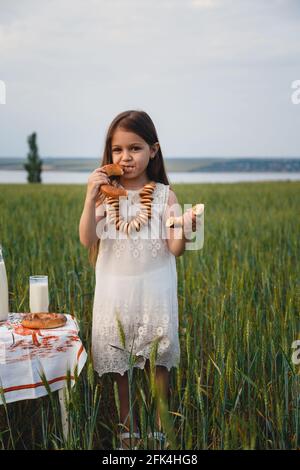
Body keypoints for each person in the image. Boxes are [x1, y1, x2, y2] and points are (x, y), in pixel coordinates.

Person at [79, 110, 198, 449]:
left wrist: (185, 229)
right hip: (115, 291)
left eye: (135, 148)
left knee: (158, 363)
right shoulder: (105, 194)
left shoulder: (164, 196)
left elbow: (174, 249)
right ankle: (127, 430)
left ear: (153, 151)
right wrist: (90, 198)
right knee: (122, 367)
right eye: (117, 150)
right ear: (109, 154)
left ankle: (160, 430)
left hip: (154, 291)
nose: (125, 157)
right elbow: (88, 239)